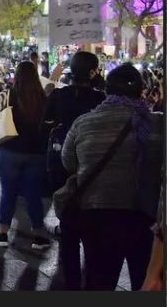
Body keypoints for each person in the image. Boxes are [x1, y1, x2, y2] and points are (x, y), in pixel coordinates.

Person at [61, 63, 163, 290]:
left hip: (97, 216)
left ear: (107, 90)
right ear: (141, 91)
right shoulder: (159, 123)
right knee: (146, 282)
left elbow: (69, 163)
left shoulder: (84, 123)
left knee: (99, 282)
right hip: (147, 217)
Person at [44, 51, 106, 290]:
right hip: (90, 159)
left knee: (67, 213)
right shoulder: (99, 98)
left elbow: (47, 118)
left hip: (61, 157)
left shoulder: (60, 95)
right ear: (91, 72)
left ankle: (70, 278)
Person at [0, 61, 50, 252]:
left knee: (8, 193)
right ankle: (39, 235)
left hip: (9, 150)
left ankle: (2, 233)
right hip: (36, 152)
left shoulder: (7, 94)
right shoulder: (43, 97)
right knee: (33, 195)